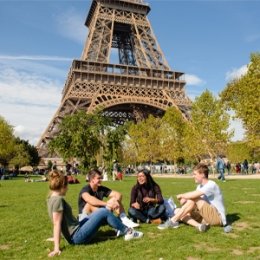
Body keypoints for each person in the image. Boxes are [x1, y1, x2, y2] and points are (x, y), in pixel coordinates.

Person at [47, 170, 143, 257]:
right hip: (76, 236)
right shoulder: (58, 200)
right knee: (103, 211)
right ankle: (128, 232)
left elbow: (59, 223)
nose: (67, 189)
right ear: (63, 185)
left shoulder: (51, 199)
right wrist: (56, 248)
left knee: (101, 212)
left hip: (77, 229)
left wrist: (57, 238)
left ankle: (120, 227)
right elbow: (56, 223)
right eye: (67, 186)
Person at [158, 163, 232, 233]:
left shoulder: (211, 185)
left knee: (194, 198)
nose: (193, 176)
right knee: (177, 211)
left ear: (202, 174)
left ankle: (172, 221)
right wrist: (185, 201)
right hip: (205, 217)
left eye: (195, 174)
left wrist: (182, 196)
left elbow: (193, 196)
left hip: (217, 218)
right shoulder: (199, 187)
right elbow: (189, 200)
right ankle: (199, 226)